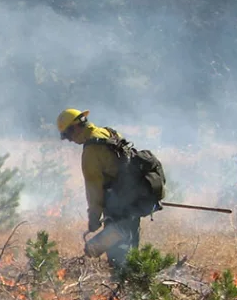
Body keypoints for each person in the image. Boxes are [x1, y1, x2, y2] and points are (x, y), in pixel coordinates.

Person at [56, 108, 164, 266]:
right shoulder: (108, 132)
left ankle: (122, 282)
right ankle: (136, 283)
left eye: (67, 135)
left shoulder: (91, 151)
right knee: (131, 249)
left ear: (75, 128)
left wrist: (94, 218)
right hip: (134, 200)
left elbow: (94, 190)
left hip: (118, 207)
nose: (70, 140)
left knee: (117, 257)